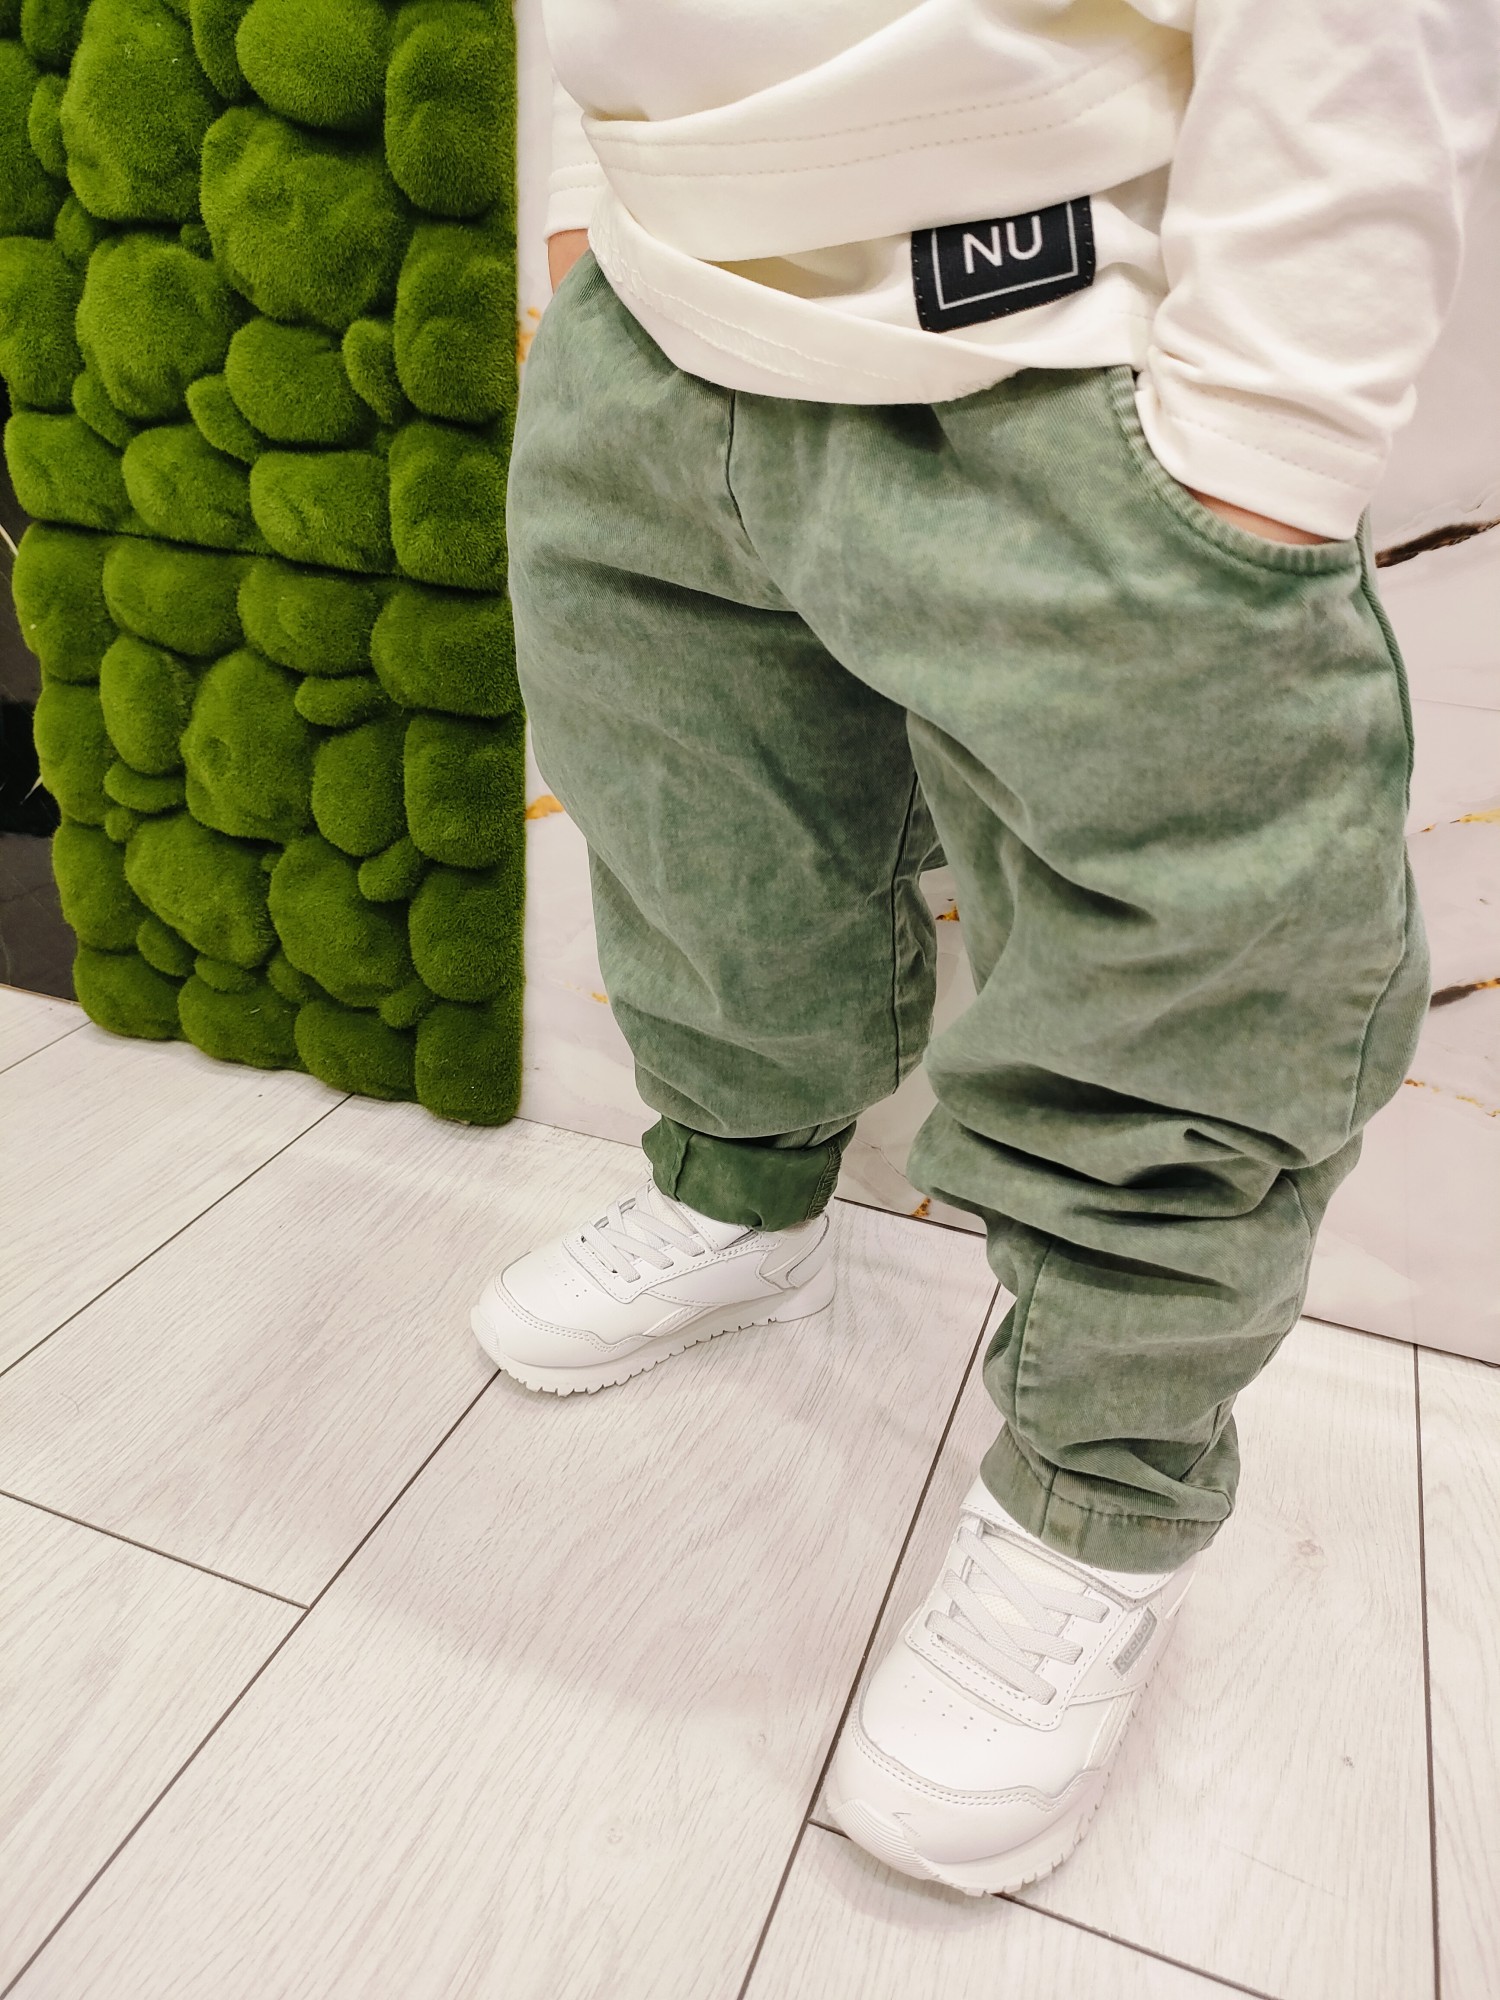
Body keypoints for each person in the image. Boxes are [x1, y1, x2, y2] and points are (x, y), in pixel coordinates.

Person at [472, 2, 1499, 1897]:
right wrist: (580, 204)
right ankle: (741, 1189)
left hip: (1057, 324)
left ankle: (1096, 1499)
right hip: (655, 308)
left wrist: (1268, 438)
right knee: (696, 839)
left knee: (1177, 986)